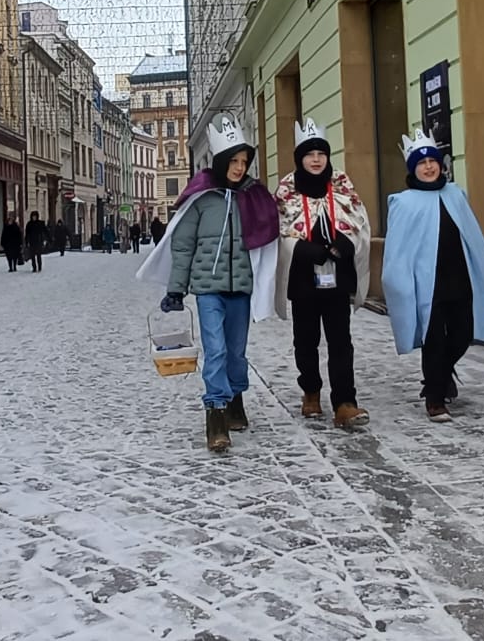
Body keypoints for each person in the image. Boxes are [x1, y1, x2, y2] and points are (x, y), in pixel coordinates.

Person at [138, 116, 281, 452]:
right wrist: (176, 288)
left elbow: (266, 239)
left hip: (240, 288)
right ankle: (216, 414)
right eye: (234, 161)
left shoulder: (253, 197)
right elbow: (183, 245)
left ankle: (235, 398)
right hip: (207, 289)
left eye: (244, 161)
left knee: (236, 352)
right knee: (215, 350)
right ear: (221, 161)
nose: (239, 167)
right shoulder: (202, 198)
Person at [381, 127, 484, 423]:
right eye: (421, 163)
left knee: (462, 335)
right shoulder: (403, 203)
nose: (428, 167)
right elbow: (398, 249)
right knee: (433, 340)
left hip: (459, 278)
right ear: (413, 169)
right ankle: (435, 398)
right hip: (427, 285)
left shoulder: (455, 194)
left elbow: (471, 235)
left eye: (432, 161)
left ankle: (441, 375)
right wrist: (401, 283)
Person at [274, 119, 373, 428]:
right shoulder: (287, 191)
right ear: (300, 158)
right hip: (304, 280)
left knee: (341, 341)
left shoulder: (342, 185)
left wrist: (346, 243)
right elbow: (280, 231)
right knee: (306, 341)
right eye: (309, 154)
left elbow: (359, 221)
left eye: (321, 154)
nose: (316, 160)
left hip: (337, 279)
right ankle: (311, 391)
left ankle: (345, 402)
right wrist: (304, 250)